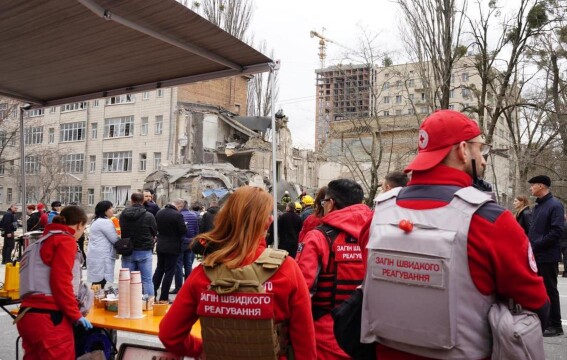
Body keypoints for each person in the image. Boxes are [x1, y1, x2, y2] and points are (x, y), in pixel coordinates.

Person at [359, 109, 549, 359]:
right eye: (480, 149)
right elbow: (536, 304)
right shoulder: (491, 220)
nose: (483, 159)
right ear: (462, 150)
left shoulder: (379, 214)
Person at [159, 186, 316, 360]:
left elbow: (169, 334)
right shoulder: (286, 269)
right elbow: (305, 345)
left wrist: (200, 350)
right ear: (267, 222)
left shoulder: (203, 273)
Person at [296, 179, 371, 360]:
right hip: (369, 335)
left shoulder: (317, 238)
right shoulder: (378, 233)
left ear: (330, 203)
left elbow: (301, 292)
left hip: (326, 338)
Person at [16, 205, 92, 359]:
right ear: (79, 225)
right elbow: (61, 281)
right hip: (50, 318)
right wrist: (75, 314)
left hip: (27, 315)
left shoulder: (39, 242)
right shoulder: (65, 241)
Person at [528, 175, 565, 337]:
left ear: (541, 186)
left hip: (548, 255)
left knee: (550, 290)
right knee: (539, 289)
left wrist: (536, 244)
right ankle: (544, 321)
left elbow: (557, 231)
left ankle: (556, 325)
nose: (530, 188)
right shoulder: (538, 206)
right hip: (536, 254)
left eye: (533, 185)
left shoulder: (555, 205)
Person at [119, 192, 158, 297]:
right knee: (147, 280)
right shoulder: (148, 215)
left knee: (128, 279)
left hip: (128, 249)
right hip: (144, 250)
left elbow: (122, 229)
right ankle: (148, 303)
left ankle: (128, 303)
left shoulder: (123, 214)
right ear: (143, 201)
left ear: (131, 200)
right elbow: (155, 231)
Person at [153, 199, 187, 302]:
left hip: (161, 245)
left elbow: (156, 227)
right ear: (180, 206)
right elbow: (183, 231)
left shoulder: (159, 212)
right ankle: (164, 297)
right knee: (169, 272)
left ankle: (152, 294)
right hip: (173, 246)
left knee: (159, 269)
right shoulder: (177, 215)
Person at [87, 201, 120, 289]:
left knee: (97, 281)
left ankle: (93, 299)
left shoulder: (96, 220)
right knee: (100, 281)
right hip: (103, 256)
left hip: (97, 254)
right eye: (110, 208)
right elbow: (114, 239)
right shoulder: (105, 222)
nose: (112, 210)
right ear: (104, 210)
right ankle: (94, 300)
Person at [172, 200, 199, 294]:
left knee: (178, 265)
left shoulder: (178, 215)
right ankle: (188, 287)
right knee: (188, 265)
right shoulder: (194, 215)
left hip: (180, 242)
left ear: (180, 206)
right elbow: (196, 230)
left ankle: (178, 287)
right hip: (191, 241)